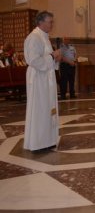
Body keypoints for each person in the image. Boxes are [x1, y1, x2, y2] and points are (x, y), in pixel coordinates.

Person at [23, 11, 62, 152]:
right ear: (41, 22)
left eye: (52, 21)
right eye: (50, 21)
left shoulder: (45, 37)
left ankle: (48, 140)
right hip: (38, 79)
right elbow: (33, 60)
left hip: (46, 78)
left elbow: (48, 58)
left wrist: (55, 59)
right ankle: (37, 143)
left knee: (48, 109)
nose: (52, 24)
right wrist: (53, 56)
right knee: (39, 109)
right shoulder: (34, 37)